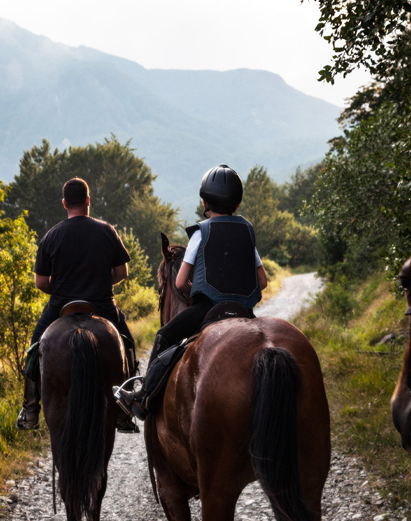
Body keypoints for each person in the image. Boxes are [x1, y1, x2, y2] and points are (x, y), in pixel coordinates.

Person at [115, 164, 267, 419]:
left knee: (164, 335)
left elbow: (179, 283)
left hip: (208, 308)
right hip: (244, 311)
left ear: (204, 202)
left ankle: (142, 398)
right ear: (237, 206)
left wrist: (195, 290)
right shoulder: (246, 231)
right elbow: (261, 281)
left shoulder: (201, 233)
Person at [16, 177, 136, 430]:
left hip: (60, 307)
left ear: (64, 203)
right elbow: (121, 272)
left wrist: (59, 289)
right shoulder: (106, 230)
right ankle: (125, 409)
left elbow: (40, 282)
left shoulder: (51, 236)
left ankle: (30, 410)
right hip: (102, 306)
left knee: (34, 349)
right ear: (88, 201)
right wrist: (101, 284)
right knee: (126, 343)